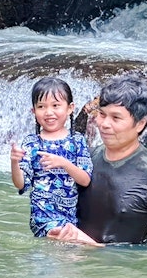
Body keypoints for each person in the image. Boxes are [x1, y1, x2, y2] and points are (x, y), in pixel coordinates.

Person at [47, 74, 147, 250]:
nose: (104, 124)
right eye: (102, 114)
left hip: (126, 274)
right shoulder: (84, 160)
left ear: (140, 123)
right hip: (75, 269)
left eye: (116, 118)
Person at [10, 77, 93, 237]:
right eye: (41, 107)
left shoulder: (77, 141)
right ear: (33, 111)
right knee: (64, 242)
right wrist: (14, 162)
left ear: (70, 108)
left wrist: (63, 163)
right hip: (42, 217)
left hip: (70, 218)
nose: (48, 112)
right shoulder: (32, 143)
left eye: (55, 105)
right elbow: (21, 184)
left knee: (67, 256)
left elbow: (85, 180)